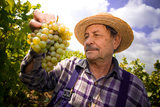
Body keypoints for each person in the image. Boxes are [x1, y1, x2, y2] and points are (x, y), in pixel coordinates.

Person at [19, 9, 151, 107]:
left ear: (115, 40)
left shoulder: (134, 88)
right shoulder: (68, 66)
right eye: (86, 36)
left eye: (96, 34)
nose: (88, 41)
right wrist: (40, 45)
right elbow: (33, 81)